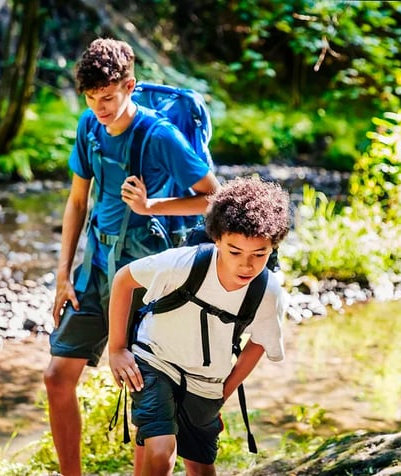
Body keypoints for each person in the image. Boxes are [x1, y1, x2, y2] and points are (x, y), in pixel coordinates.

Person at [43, 38, 220, 476]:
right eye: (90, 98)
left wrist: (152, 207)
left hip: (149, 280)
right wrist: (64, 275)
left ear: (129, 86)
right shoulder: (89, 127)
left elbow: (215, 200)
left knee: (146, 399)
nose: (99, 108)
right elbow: (77, 202)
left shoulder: (160, 136)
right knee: (56, 376)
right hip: (97, 270)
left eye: (107, 97)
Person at [108, 176, 291, 476]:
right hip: (156, 360)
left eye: (259, 255)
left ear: (273, 247)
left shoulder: (268, 292)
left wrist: (224, 391)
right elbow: (123, 279)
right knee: (160, 450)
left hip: (207, 381)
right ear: (216, 239)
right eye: (235, 252)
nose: (246, 265)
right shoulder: (182, 264)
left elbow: (260, 341)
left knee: (201, 466)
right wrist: (116, 349)